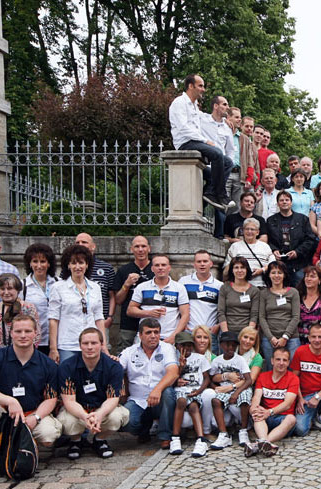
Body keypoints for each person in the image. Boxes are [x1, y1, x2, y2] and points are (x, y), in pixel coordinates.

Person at [0, 314, 61, 481]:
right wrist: (10, 401)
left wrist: (36, 417)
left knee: (49, 434)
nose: (23, 335)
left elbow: (51, 398)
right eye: (18, 331)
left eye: (27, 331)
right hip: (2, 412)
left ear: (35, 334)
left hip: (31, 412)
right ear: (11, 334)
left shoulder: (47, 364)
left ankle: (25, 448)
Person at [58, 328, 129, 460]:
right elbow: (69, 401)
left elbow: (113, 398)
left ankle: (100, 440)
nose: (89, 347)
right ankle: (76, 441)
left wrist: (99, 414)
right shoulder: (67, 366)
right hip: (78, 408)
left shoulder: (114, 366)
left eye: (94, 343)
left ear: (101, 345)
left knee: (118, 416)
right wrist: (85, 416)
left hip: (101, 407)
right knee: (66, 421)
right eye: (85, 343)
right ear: (80, 345)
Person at [168, 74, 232, 209]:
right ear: (191, 86)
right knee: (217, 153)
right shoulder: (179, 103)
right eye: (200, 86)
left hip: (195, 142)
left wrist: (224, 119)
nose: (203, 89)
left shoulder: (194, 106)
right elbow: (183, 127)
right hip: (185, 143)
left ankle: (210, 193)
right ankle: (220, 195)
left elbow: (205, 118)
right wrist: (205, 140)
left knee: (227, 163)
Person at [118, 318, 179, 449]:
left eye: (156, 332)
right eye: (148, 332)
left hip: (160, 400)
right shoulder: (129, 352)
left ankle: (165, 436)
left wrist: (157, 390)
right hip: (137, 400)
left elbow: (173, 372)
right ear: (140, 335)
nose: (153, 336)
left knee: (168, 393)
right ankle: (143, 430)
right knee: (127, 422)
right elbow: (116, 370)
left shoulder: (167, 349)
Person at [48, 244, 107, 363]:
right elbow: (53, 319)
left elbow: (99, 318)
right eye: (74, 263)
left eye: (81, 263)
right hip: (67, 344)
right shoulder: (58, 287)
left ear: (87, 264)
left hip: (92, 344)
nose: (77, 267)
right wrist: (53, 348)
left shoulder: (95, 287)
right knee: (68, 380)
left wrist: (103, 345)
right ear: (68, 265)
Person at [244, 347, 299, 457]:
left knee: (291, 418)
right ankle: (265, 443)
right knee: (257, 413)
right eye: (278, 359)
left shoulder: (293, 378)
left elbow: (287, 404)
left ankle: (258, 444)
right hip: (265, 418)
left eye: (284, 360)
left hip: (282, 419)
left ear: (288, 362)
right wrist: (254, 408)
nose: (281, 363)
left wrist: (269, 412)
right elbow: (256, 397)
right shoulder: (263, 377)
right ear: (272, 361)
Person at [127, 254, 190, 345]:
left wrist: (174, 336)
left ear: (169, 268)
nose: (160, 268)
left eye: (163, 265)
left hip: (169, 337)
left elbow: (185, 314)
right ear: (152, 268)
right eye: (157, 265)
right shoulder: (142, 287)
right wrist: (148, 313)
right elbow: (130, 310)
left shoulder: (179, 288)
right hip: (145, 337)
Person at [168, 331, 211, 458]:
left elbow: (207, 378)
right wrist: (180, 367)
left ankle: (201, 439)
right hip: (181, 390)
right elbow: (172, 379)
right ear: (177, 346)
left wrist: (199, 391)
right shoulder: (173, 360)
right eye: (182, 346)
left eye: (189, 345)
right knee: (181, 401)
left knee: (193, 405)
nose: (186, 348)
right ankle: (175, 438)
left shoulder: (199, 358)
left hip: (195, 389)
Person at [208, 330, 252, 450]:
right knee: (216, 401)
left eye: (233, 345)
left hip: (240, 388)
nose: (230, 347)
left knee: (244, 399)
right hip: (224, 389)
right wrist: (215, 388)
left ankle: (243, 431)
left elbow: (248, 380)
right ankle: (223, 434)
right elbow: (210, 377)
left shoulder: (240, 359)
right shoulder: (217, 360)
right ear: (221, 345)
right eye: (227, 344)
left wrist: (236, 392)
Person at [266, 190, 319, 286]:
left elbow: (310, 239)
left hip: (299, 264)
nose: (284, 202)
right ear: (278, 204)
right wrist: (274, 250)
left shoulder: (303, 219)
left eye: (287, 200)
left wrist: (297, 252)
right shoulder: (271, 221)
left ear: (291, 202)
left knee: (300, 291)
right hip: (279, 264)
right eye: (281, 200)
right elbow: (268, 240)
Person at [112, 236, 154, 353]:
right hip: (128, 323)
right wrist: (127, 284)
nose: (140, 249)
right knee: (124, 355)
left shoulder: (156, 269)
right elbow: (118, 300)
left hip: (151, 323)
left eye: (143, 246)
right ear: (132, 249)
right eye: (137, 246)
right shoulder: (124, 270)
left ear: (149, 249)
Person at [179, 250, 222, 354]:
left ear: (211, 263)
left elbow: (223, 310)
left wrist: (218, 325)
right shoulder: (183, 282)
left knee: (211, 366)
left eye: (205, 261)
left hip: (209, 333)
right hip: (189, 331)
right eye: (199, 261)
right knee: (187, 366)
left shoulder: (219, 285)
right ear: (194, 264)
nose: (202, 264)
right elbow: (178, 307)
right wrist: (182, 325)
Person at [0, 273, 39, 353]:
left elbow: (36, 334)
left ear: (17, 290)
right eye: (2, 289)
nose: (6, 292)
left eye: (10, 289)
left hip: (22, 353)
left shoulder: (28, 308)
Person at [259, 261, 301, 365]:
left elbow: (296, 317)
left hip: (291, 338)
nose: (276, 275)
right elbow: (262, 317)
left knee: (292, 369)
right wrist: (270, 337)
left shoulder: (293, 292)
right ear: (268, 275)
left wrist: (285, 337)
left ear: (285, 275)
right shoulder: (263, 293)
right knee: (271, 368)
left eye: (280, 272)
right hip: (269, 339)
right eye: (273, 272)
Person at [74, 233, 116, 337]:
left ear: (93, 246)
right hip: (75, 322)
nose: (80, 244)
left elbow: (112, 295)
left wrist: (109, 317)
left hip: (100, 321)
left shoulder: (106, 268)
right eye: (77, 242)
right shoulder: (69, 268)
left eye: (84, 242)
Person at [22, 243, 58, 355]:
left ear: (48, 264)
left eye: (43, 261)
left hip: (57, 340)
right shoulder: (23, 286)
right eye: (35, 261)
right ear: (30, 263)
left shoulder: (58, 283)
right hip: (34, 341)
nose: (39, 265)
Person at [223, 218, 275, 288]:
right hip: (240, 286)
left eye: (252, 229)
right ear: (243, 231)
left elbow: (273, 264)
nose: (249, 231)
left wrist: (261, 270)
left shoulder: (265, 247)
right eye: (247, 229)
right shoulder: (235, 246)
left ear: (257, 232)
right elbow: (227, 268)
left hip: (261, 286)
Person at [217, 257, 260, 334]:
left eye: (242, 267)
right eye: (236, 267)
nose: (239, 270)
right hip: (227, 331)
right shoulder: (225, 288)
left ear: (247, 270)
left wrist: (248, 334)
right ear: (232, 270)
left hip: (246, 333)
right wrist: (226, 333)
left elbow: (254, 315)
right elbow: (221, 312)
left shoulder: (254, 291)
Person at [297, 265, 321, 344]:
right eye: (307, 276)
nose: (309, 279)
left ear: (319, 280)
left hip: (318, 341)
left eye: (312, 276)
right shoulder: (298, 296)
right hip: (299, 340)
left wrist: (313, 337)